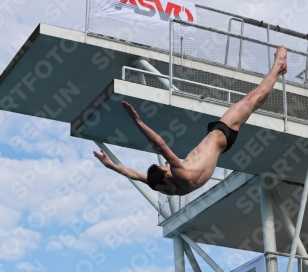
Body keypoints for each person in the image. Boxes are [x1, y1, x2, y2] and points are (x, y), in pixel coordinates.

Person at [94, 46, 287, 196]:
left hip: (221, 142)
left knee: (253, 101)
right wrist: (137, 121)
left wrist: (110, 165)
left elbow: (134, 174)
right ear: (168, 174)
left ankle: (278, 72)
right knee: (253, 98)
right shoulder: (181, 174)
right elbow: (160, 145)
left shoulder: (166, 187)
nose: (167, 165)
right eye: (165, 167)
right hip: (221, 134)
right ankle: (278, 64)